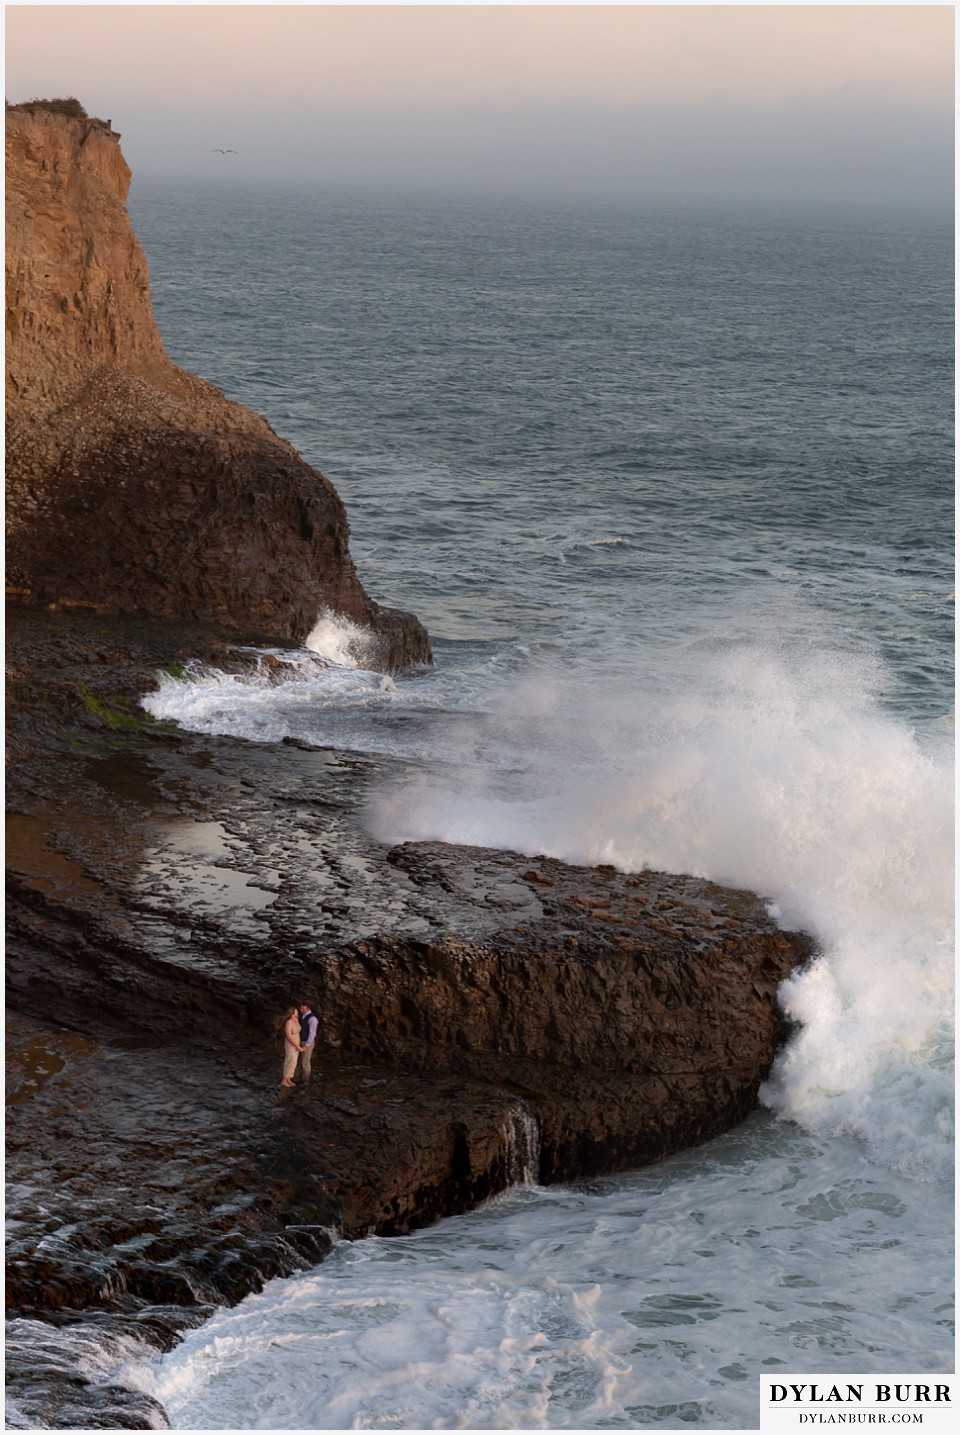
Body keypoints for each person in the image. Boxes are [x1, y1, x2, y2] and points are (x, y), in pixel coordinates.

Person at [280, 1006, 303, 1088]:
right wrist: (297, 1046)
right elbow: (289, 1036)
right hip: (291, 1044)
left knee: (294, 1061)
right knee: (289, 1060)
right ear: (292, 1014)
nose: (298, 1013)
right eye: (296, 1012)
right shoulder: (288, 1022)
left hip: (297, 1041)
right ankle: (284, 1080)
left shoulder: (296, 1019)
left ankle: (289, 1079)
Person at [298, 1001, 319, 1083]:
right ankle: (300, 1078)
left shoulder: (313, 1019)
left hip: (307, 1042)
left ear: (308, 1007)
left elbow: (312, 1033)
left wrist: (306, 1045)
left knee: (305, 1062)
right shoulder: (301, 1016)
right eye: (300, 1007)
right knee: (300, 1061)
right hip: (300, 1041)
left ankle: (306, 1080)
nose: (301, 1009)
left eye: (303, 1008)